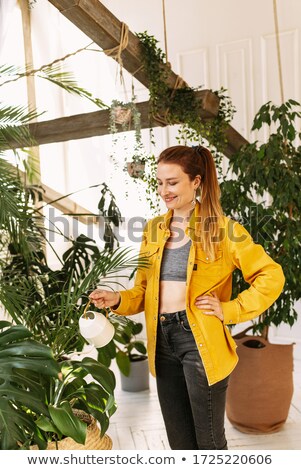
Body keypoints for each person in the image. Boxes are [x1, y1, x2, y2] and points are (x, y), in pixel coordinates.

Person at [89, 145, 285, 450]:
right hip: (162, 341)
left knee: (208, 440)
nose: (164, 190)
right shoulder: (154, 229)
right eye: (160, 182)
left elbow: (271, 276)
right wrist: (116, 298)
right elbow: (142, 292)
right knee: (179, 441)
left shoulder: (224, 229)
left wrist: (230, 309)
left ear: (196, 181)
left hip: (199, 340)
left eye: (172, 182)